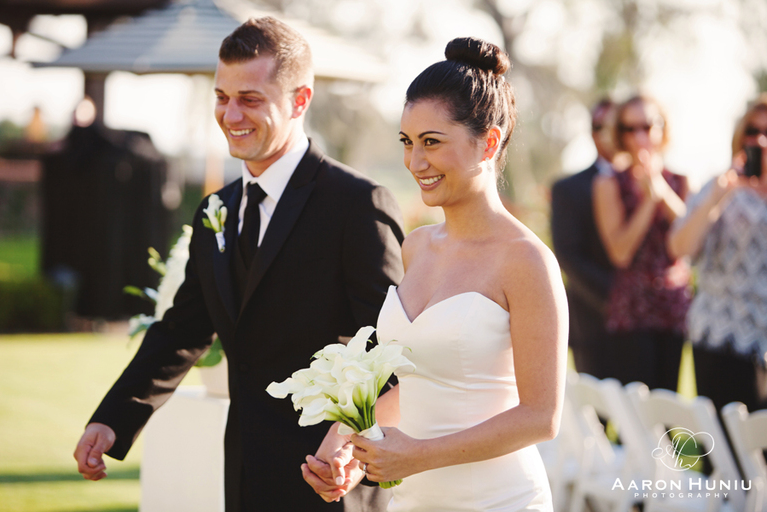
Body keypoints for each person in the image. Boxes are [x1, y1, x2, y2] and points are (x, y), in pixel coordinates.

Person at [73, 17, 405, 512]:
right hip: (245, 471)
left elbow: (386, 349)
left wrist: (350, 449)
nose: (230, 114)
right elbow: (182, 329)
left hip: (331, 477)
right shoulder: (216, 208)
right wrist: (113, 418)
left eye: (249, 98)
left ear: (299, 101)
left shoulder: (356, 203)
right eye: (221, 97)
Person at [303, 37, 568, 511]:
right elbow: (422, 382)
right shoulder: (417, 247)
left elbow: (540, 417)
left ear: (489, 141)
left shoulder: (527, 261)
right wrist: (345, 439)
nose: (415, 162)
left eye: (432, 142)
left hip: (498, 500)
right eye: (407, 142)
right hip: (415, 500)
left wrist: (418, 456)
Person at [668, 94, 767, 414]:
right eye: (752, 130)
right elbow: (679, 247)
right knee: (724, 447)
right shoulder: (719, 186)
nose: (760, 140)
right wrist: (717, 198)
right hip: (719, 334)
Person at [592, 94, 691, 391]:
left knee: (670, 402)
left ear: (662, 129)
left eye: (647, 126)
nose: (639, 136)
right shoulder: (608, 183)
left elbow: (689, 241)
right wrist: (649, 202)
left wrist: (660, 190)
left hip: (674, 307)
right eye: (629, 128)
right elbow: (620, 254)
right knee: (639, 407)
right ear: (619, 133)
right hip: (632, 311)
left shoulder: (682, 181)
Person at [550, 99, 616, 379]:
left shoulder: (661, 183)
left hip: (653, 328)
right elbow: (568, 255)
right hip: (592, 322)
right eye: (600, 126)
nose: (608, 134)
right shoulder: (569, 189)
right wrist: (618, 297)